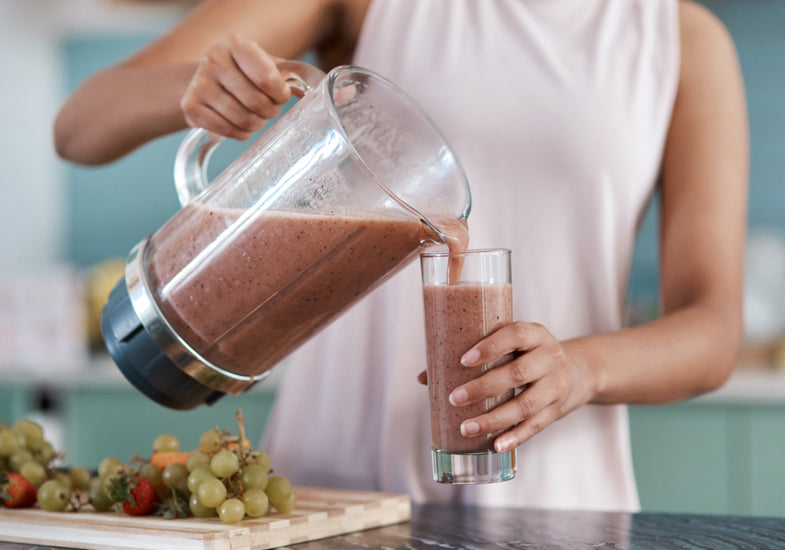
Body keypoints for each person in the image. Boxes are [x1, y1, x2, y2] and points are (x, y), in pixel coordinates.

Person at [54, 0, 748, 511]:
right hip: (333, 495)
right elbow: (80, 125)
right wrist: (191, 91)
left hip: (561, 504)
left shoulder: (681, 40)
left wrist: (582, 369)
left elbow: (713, 330)